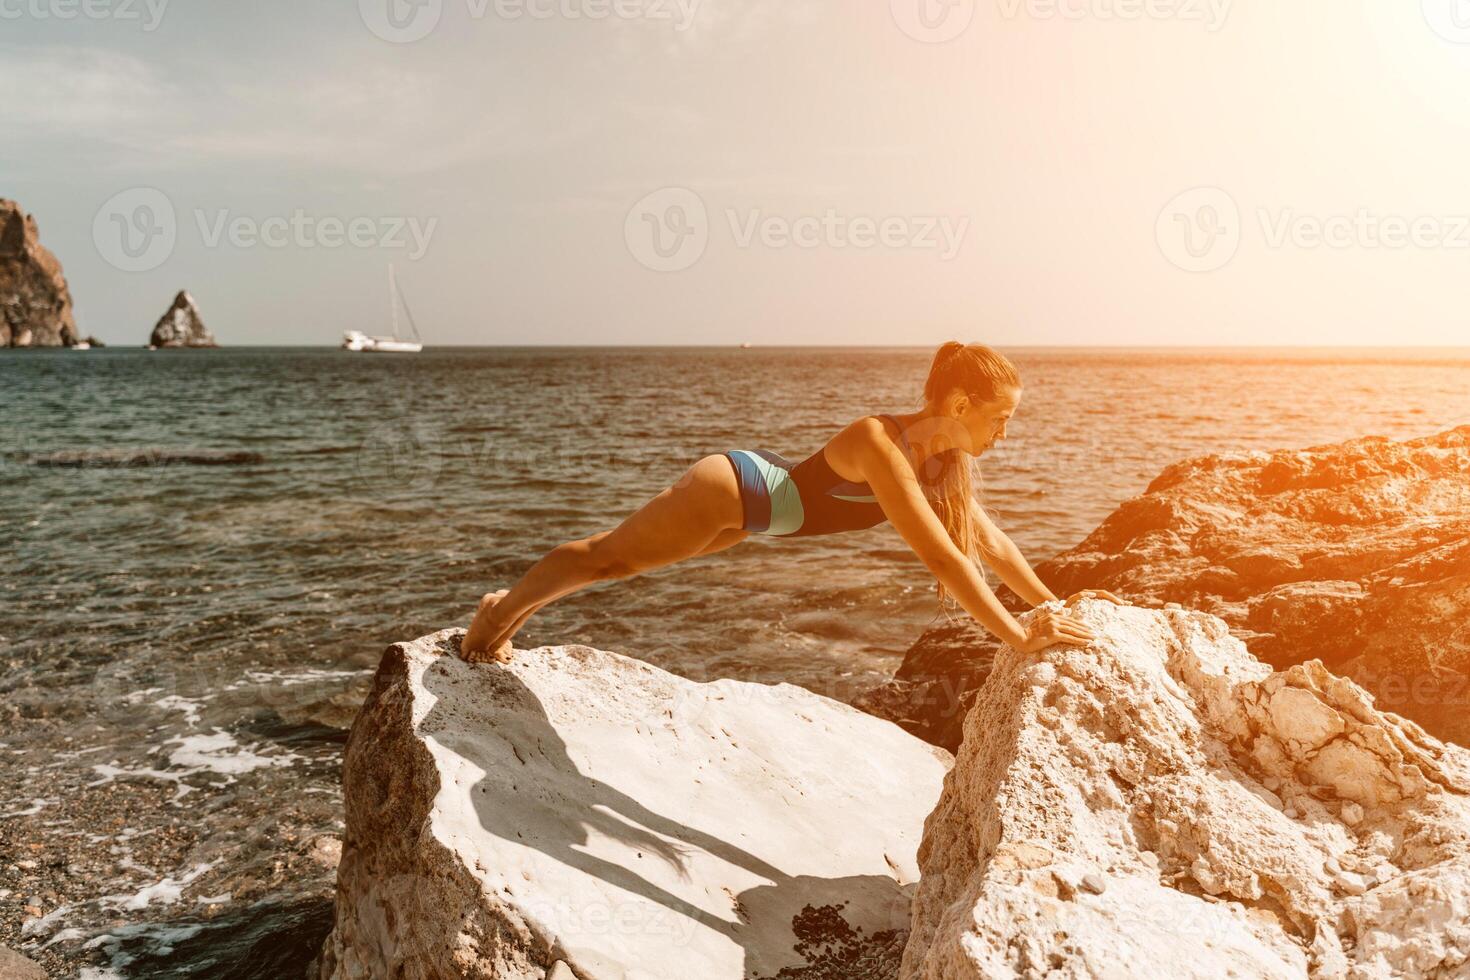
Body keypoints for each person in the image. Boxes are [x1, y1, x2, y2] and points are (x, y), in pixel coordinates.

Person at [461, 341, 1120, 663]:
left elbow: (991, 545)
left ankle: (507, 611)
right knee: (609, 561)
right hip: (735, 487)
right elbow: (945, 560)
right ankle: (498, 616)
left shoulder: (941, 462)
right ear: (958, 406)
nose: (1006, 432)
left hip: (762, 517)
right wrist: (1020, 638)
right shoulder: (878, 443)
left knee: (619, 564)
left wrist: (1051, 609)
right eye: (1001, 417)